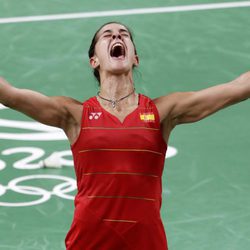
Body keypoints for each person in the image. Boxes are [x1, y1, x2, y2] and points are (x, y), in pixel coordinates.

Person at [0, 21, 249, 250]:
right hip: (88, 242)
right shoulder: (75, 115)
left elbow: (236, 89)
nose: (117, 35)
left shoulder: (161, 112)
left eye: (124, 35)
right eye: (107, 35)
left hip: (146, 242)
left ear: (135, 58)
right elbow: (10, 94)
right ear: (94, 61)